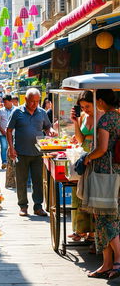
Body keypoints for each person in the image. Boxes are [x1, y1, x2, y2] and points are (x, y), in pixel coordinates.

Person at [83, 89, 120, 279]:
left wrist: (88, 157)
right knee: (109, 215)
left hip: (106, 173)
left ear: (102, 101)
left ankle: (117, 262)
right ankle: (106, 264)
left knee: (105, 216)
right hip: (116, 172)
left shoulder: (106, 120)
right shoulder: (118, 117)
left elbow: (102, 148)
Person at [6, 88, 56, 217]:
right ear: (26, 100)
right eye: (32, 101)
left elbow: (47, 126)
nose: (35, 104)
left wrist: (50, 130)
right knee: (21, 180)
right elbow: (9, 130)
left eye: (37, 101)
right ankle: (23, 206)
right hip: (21, 152)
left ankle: (38, 206)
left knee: (38, 180)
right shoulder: (17, 112)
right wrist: (11, 147)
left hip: (38, 153)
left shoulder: (42, 112)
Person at [69, 91, 102, 244]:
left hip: (98, 155)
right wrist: (75, 122)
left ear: (95, 103)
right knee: (82, 193)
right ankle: (83, 230)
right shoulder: (83, 116)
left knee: (94, 196)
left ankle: (94, 234)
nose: (85, 109)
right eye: (82, 106)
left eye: (87, 106)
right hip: (84, 156)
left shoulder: (102, 115)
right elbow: (80, 139)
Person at [0, 94, 15, 169]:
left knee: (13, 147)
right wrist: (2, 131)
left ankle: (12, 162)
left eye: (5, 102)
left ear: (11, 101)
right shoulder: (0, 111)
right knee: (4, 147)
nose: (4, 104)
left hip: (14, 134)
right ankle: (4, 162)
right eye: (3, 102)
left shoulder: (16, 110)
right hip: (3, 133)